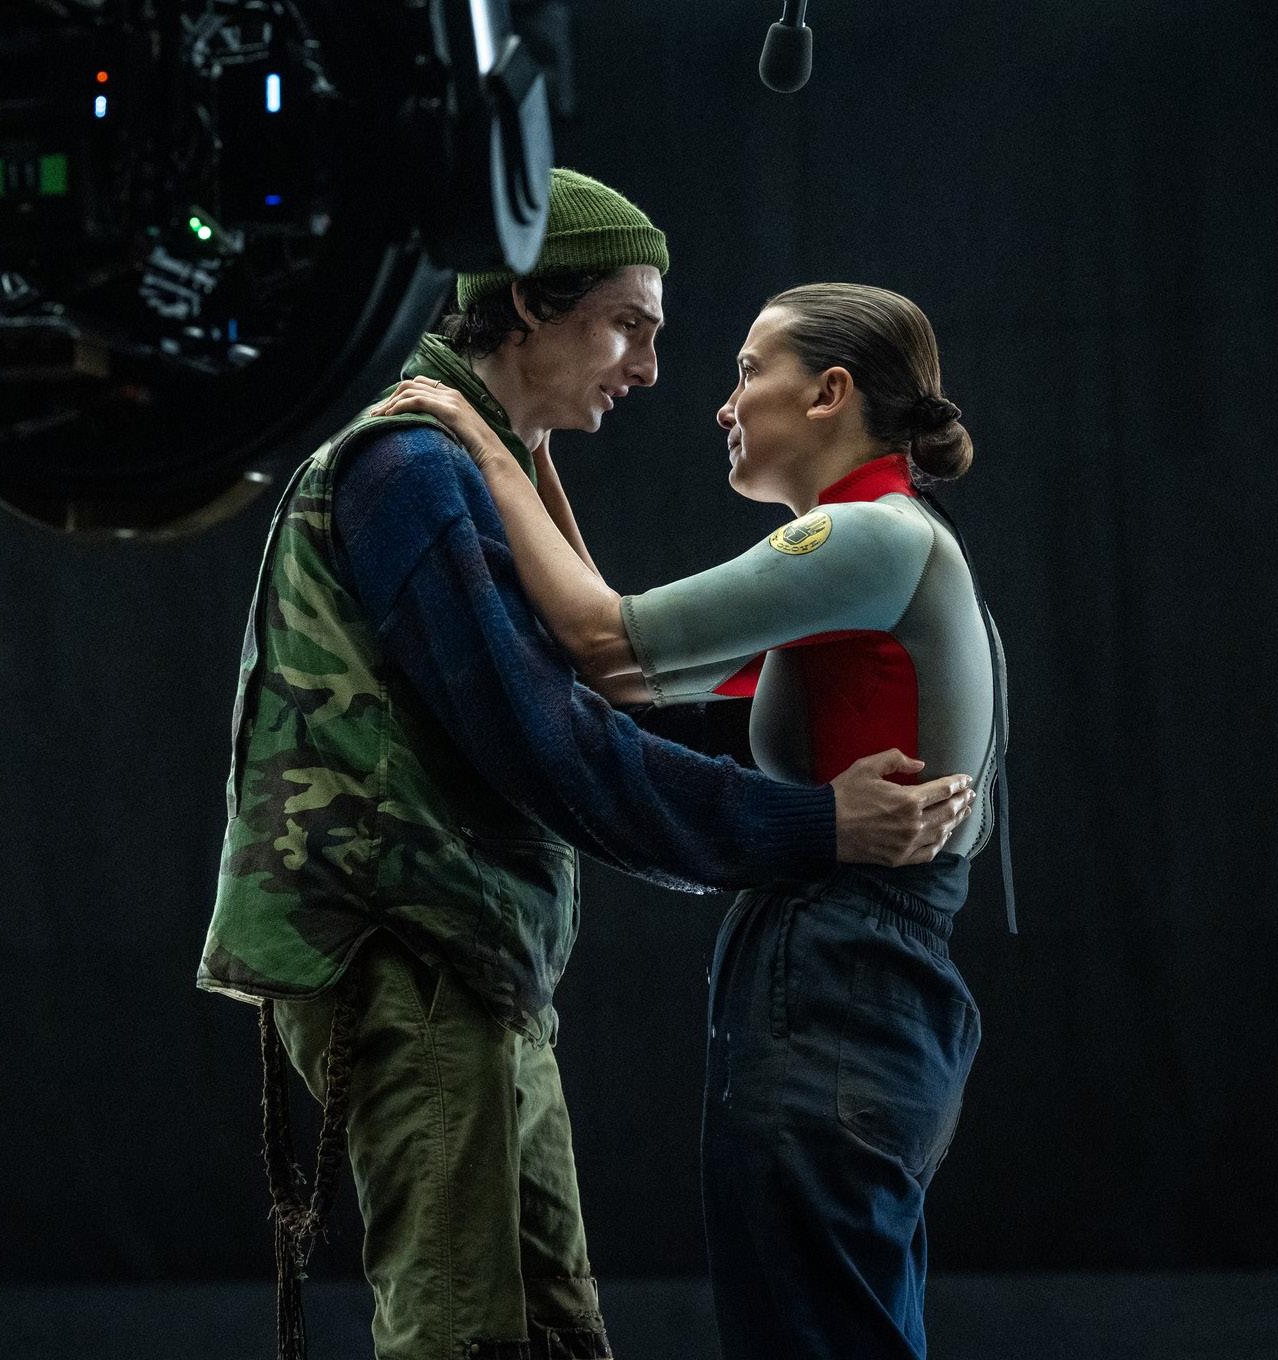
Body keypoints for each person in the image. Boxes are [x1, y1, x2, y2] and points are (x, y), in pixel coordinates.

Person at [197, 169, 977, 1360]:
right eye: (628, 325)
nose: (655, 372)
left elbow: (599, 679)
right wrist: (813, 826)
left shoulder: (465, 466)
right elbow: (560, 737)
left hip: (469, 956)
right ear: (526, 303)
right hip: (409, 949)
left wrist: (521, 454)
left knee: (552, 1326)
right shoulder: (412, 467)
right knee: (468, 1330)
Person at [373, 281, 1007, 1359]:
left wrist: (477, 440)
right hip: (861, 985)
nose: (724, 403)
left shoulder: (860, 538)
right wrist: (531, 460)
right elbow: (627, 672)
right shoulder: (876, 556)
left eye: (749, 372)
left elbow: (606, 644)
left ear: (830, 393)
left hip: (843, 977)